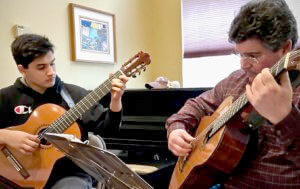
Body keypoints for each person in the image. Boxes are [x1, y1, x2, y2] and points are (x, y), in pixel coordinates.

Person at [166, 0, 299, 188]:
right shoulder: (237, 80)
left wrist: (285, 118)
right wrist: (177, 129)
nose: (243, 65)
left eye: (253, 55)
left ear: (285, 48)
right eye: (240, 55)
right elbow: (197, 105)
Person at [0, 33, 128, 188]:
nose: (51, 72)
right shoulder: (5, 97)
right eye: (41, 67)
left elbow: (109, 131)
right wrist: (6, 136)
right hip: (10, 176)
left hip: (68, 175)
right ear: (22, 69)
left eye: (52, 64)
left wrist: (116, 100)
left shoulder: (75, 95)